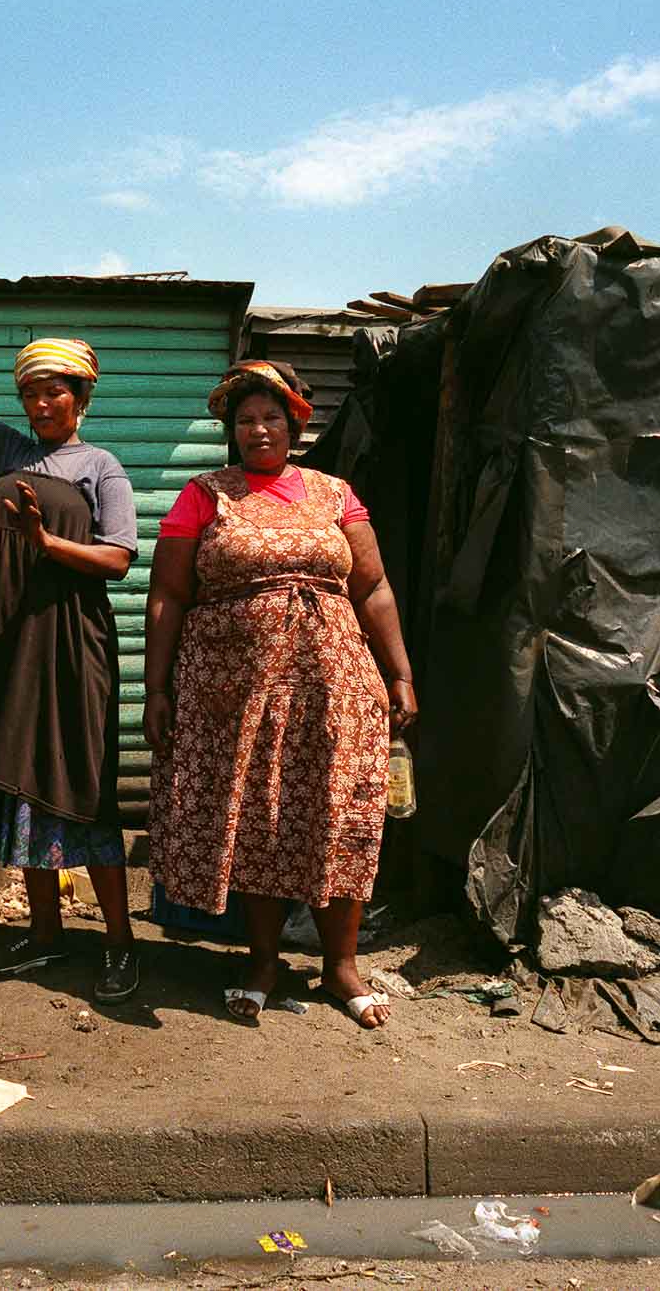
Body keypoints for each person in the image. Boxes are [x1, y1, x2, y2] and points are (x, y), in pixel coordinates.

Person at [144, 360, 418, 1028]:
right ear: (230, 431)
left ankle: (340, 967)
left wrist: (399, 671)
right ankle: (262, 959)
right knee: (259, 818)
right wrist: (155, 689)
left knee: (336, 812)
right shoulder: (204, 495)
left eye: (270, 417)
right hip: (230, 690)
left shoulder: (334, 494)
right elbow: (168, 594)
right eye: (244, 421)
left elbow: (373, 586)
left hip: (334, 685)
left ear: (294, 422)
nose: (257, 430)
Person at [0, 244, 141, 1003]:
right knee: (18, 787)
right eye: (33, 394)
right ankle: (43, 935)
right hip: (13, 643)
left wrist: (47, 545)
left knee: (81, 787)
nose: (42, 406)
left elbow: (115, 560)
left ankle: (117, 944)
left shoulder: (100, 467)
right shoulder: (7, 451)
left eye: (56, 394)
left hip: (73, 647)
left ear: (81, 397)